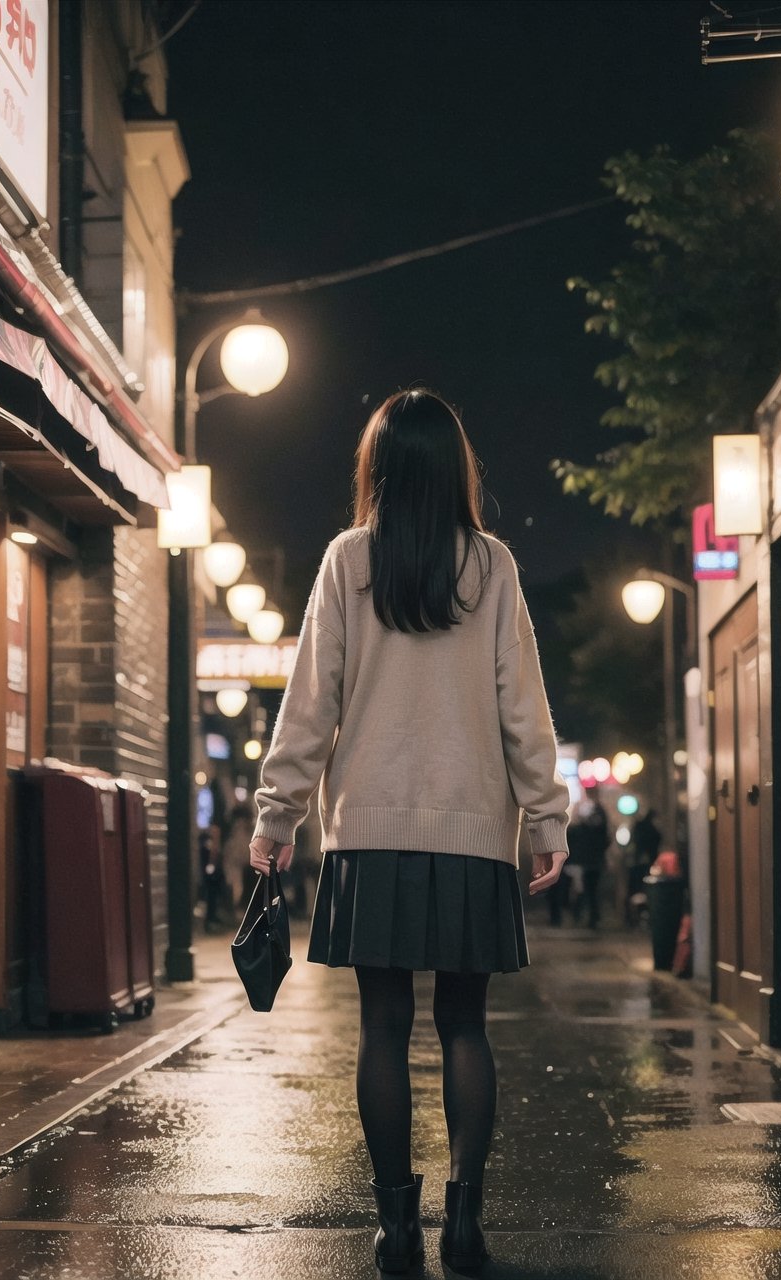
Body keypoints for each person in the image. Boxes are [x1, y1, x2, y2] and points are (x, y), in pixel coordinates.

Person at [248, 389, 570, 1273]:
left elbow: (310, 703)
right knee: (465, 1026)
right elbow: (522, 704)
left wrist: (277, 814)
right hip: (473, 833)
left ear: (378, 469)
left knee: (383, 1027)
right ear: (455, 469)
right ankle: (466, 1222)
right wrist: (545, 818)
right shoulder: (492, 565)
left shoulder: (350, 559)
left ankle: (397, 1230)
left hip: (371, 834)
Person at [568, 796, 610, 929]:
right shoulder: (597, 830)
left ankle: (585, 915)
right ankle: (591, 916)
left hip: (587, 863)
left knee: (586, 890)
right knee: (591, 890)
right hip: (592, 863)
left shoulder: (581, 830)